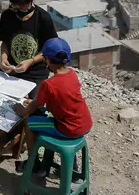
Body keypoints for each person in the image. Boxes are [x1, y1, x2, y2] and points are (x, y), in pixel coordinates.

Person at [12, 37, 93, 175]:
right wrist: (34, 102)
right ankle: (72, 169)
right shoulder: (72, 74)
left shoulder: (48, 84)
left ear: (47, 60)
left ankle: (34, 164)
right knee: (47, 119)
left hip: (68, 129)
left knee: (29, 122)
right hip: (84, 124)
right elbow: (57, 97)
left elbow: (32, 107)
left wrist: (22, 110)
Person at [0, 0, 59, 104]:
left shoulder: (43, 18)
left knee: (34, 105)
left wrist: (30, 61)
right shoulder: (7, 16)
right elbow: (5, 42)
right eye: (16, 6)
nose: (20, 10)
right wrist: (3, 58)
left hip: (36, 73)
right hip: (12, 70)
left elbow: (50, 49)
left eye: (23, 7)